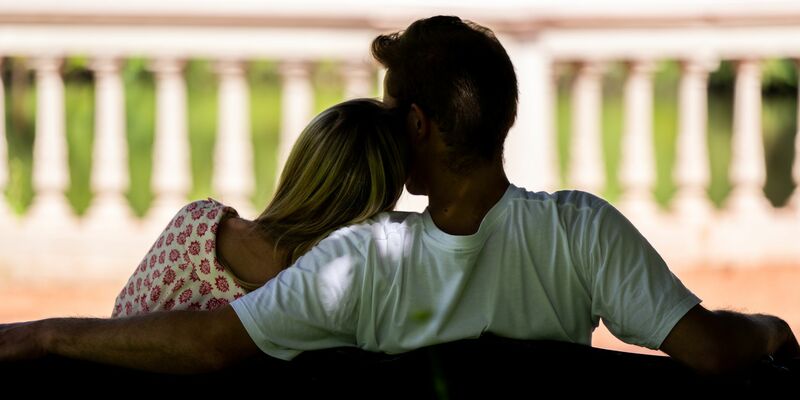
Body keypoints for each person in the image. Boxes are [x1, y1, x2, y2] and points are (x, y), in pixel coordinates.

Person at [0, 16, 797, 377]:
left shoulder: (362, 264)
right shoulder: (581, 233)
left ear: (416, 125)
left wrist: (40, 338)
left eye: (390, 108)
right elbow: (709, 351)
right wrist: (770, 327)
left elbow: (208, 344)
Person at [111, 98, 408, 317]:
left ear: (300, 166)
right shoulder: (345, 298)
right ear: (382, 199)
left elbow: (119, 327)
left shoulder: (198, 230)